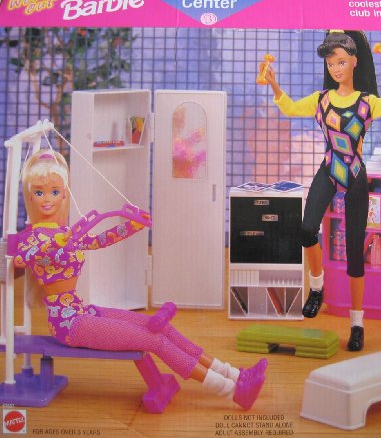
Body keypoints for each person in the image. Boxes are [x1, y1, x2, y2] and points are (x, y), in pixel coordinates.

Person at [14, 149, 267, 409]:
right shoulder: (30, 237)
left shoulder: (65, 231)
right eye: (39, 192)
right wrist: (53, 244)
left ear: (64, 194)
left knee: (162, 328)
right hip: (68, 325)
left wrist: (132, 225)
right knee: (154, 341)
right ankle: (232, 391)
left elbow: (99, 240)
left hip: (83, 311)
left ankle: (234, 374)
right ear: (29, 195)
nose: (47, 199)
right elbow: (22, 258)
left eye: (54, 191)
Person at [259, 31, 381, 351]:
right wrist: (273, 84)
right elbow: (289, 108)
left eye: (341, 62)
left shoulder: (367, 102)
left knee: (354, 250)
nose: (336, 68)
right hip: (328, 169)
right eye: (330, 63)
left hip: (354, 174)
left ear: (354, 62)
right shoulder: (321, 99)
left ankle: (357, 324)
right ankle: (317, 287)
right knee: (306, 230)